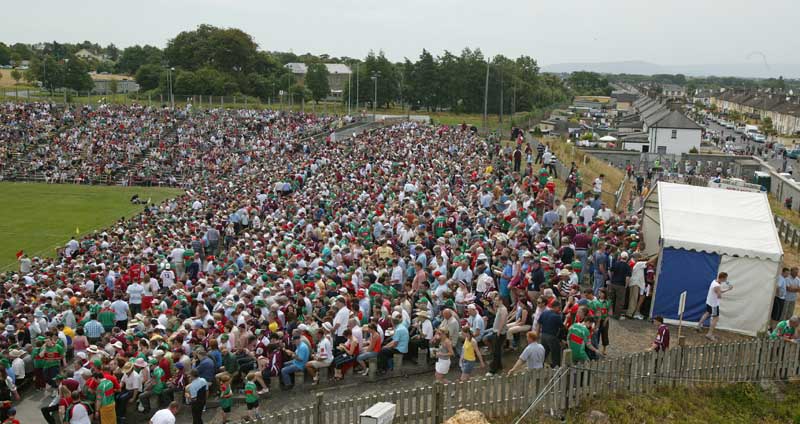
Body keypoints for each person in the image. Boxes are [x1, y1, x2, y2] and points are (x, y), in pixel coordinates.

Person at [696, 272, 733, 341]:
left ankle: (698, 325)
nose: (726, 280)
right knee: (715, 319)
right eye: (725, 279)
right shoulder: (717, 286)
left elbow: (718, 291)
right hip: (714, 305)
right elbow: (719, 295)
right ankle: (709, 334)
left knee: (707, 313)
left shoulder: (714, 281)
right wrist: (727, 290)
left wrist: (726, 288)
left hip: (709, 302)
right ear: (722, 278)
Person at [608, 251, 631, 319]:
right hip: (621, 285)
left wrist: (611, 278)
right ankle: (616, 315)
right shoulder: (627, 266)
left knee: (611, 299)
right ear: (627, 258)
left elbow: (610, 271)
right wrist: (626, 285)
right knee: (619, 301)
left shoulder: (616, 263)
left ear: (620, 257)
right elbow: (627, 277)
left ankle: (609, 312)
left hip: (613, 283)